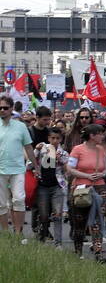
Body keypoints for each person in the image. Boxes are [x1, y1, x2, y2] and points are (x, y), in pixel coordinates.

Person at [66, 123, 106, 261]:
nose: (103, 136)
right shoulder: (77, 149)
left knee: (98, 220)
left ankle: (98, 252)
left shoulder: (101, 150)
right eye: (100, 133)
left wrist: (102, 174)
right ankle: (78, 251)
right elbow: (70, 168)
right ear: (92, 136)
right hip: (81, 188)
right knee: (80, 221)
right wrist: (86, 176)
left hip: (99, 188)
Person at [0, 95, 38, 237]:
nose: (2, 110)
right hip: (0, 170)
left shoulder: (21, 126)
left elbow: (28, 148)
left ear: (11, 109)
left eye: (5, 108)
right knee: (1, 204)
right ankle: (5, 233)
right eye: (0, 108)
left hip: (17, 170)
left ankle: (17, 233)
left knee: (19, 200)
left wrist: (36, 166)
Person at [33, 126, 69, 244]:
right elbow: (29, 164)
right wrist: (37, 151)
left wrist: (61, 160)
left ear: (61, 139)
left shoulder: (63, 153)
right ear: (48, 138)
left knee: (57, 214)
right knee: (43, 215)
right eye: (52, 138)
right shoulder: (42, 149)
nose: (55, 140)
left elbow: (68, 171)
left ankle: (58, 242)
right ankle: (42, 237)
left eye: (57, 138)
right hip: (42, 186)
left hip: (57, 186)